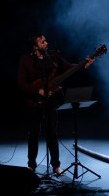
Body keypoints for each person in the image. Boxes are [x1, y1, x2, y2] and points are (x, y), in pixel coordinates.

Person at [17, 33, 94, 176]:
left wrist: (84, 65)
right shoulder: (25, 60)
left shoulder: (53, 57)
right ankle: (31, 165)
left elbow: (69, 68)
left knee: (52, 134)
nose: (46, 43)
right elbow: (22, 84)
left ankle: (56, 167)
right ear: (35, 46)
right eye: (42, 42)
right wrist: (38, 91)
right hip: (34, 103)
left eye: (46, 41)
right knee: (33, 134)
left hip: (51, 103)